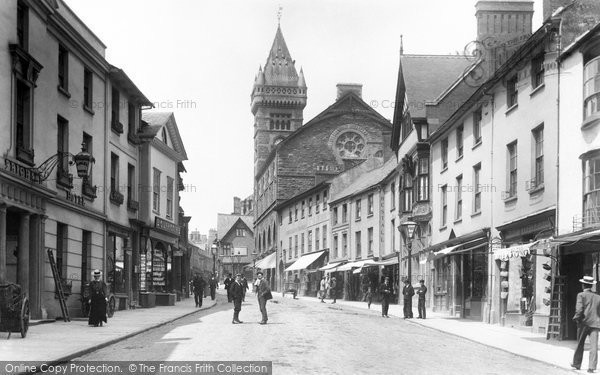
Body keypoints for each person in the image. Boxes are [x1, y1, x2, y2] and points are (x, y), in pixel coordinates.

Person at [571, 276, 600, 372]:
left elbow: (579, 310)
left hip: (583, 323)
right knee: (594, 346)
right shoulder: (598, 297)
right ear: (591, 285)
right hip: (595, 323)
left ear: (583, 285)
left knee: (580, 344)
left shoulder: (581, 295)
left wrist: (576, 319)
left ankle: (577, 364)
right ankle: (592, 367)